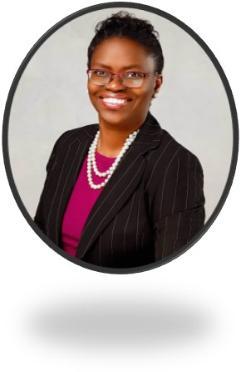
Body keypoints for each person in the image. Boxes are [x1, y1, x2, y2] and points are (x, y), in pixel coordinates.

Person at [34, 11, 205, 269]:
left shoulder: (176, 165)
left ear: (156, 84)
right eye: (101, 72)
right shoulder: (69, 145)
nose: (114, 85)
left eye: (133, 74)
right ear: (88, 76)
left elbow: (174, 276)